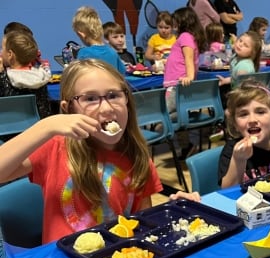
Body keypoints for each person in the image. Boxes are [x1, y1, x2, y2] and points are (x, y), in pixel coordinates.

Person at [0, 59, 198, 244]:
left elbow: (142, 222)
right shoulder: (55, 146)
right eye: (91, 99)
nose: (106, 108)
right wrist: (46, 126)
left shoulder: (137, 157)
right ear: (69, 109)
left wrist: (171, 211)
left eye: (114, 95)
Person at [218, 81, 270, 188]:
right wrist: (238, 160)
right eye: (243, 114)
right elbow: (227, 190)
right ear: (235, 124)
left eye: (260, 112)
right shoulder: (232, 150)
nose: (252, 120)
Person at [163, 7, 208, 160]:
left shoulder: (185, 36)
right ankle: (186, 145)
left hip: (177, 83)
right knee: (178, 115)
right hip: (177, 82)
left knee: (164, 113)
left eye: (175, 20)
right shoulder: (189, 36)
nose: (174, 23)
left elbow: (188, 58)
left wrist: (189, 76)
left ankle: (183, 144)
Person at [0, 30, 52, 119]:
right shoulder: (41, 76)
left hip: (10, 130)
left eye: (2, 48)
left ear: (10, 54)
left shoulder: (4, 80)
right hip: (41, 128)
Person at [71, 6, 125, 74]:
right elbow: (122, 72)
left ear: (81, 34)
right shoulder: (112, 52)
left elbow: (77, 76)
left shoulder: (84, 53)